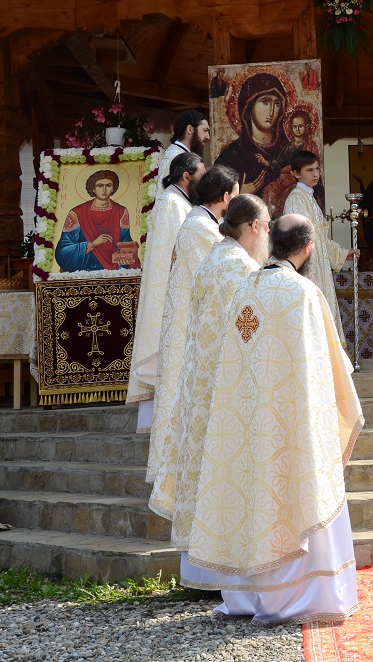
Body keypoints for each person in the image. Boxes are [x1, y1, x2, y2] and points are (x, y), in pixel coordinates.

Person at [181, 214, 363, 623]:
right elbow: (326, 369)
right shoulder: (302, 293)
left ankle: (247, 596)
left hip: (246, 424)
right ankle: (303, 596)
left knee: (253, 500)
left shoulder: (246, 288)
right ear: (308, 247)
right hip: (290, 426)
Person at [147, 195, 270, 527]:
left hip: (200, 384)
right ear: (255, 226)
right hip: (227, 389)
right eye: (267, 226)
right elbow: (251, 334)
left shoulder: (213, 258)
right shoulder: (243, 268)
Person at [141, 165, 237, 450]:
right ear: (226, 197)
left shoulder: (201, 222)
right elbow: (215, 277)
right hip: (189, 326)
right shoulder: (200, 227)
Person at [127, 153, 204, 413]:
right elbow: (175, 254)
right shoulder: (172, 203)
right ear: (187, 176)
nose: (204, 182)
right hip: (171, 295)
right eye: (201, 175)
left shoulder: (178, 201)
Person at [283, 150, 355, 348]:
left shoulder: (309, 198)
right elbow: (300, 238)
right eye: (309, 170)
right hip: (309, 269)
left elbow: (321, 238)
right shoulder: (296, 199)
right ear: (296, 173)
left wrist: (341, 254)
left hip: (319, 267)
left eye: (317, 169)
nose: (315, 174)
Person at [215, 72, 293, 199]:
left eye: (277, 104)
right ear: (249, 107)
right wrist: (239, 193)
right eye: (265, 102)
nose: (271, 111)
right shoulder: (231, 156)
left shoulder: (288, 151)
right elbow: (215, 199)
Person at [54, 169, 140, 272]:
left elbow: (125, 240)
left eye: (108, 186)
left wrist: (127, 251)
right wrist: (92, 244)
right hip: (85, 270)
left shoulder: (121, 211)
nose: (104, 190)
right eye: (100, 186)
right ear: (93, 189)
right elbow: (63, 250)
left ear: (113, 188)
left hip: (114, 269)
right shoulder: (76, 213)